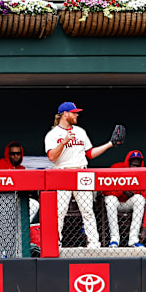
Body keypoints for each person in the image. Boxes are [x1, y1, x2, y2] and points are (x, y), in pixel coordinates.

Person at [44, 101, 122, 249]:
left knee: (87, 211)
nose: (76, 114)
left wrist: (110, 144)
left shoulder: (80, 131)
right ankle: (55, 244)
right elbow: (52, 157)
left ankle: (94, 244)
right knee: (59, 212)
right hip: (63, 172)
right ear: (65, 114)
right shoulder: (53, 134)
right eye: (73, 112)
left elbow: (90, 154)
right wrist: (64, 142)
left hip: (81, 172)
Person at [105, 150, 146, 248]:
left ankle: (133, 240)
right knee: (110, 199)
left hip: (129, 204)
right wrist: (121, 191)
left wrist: (145, 227)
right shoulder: (116, 168)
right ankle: (114, 239)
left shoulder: (143, 175)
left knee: (140, 199)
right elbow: (105, 191)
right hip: (116, 202)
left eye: (137, 166)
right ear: (128, 163)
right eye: (133, 165)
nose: (135, 168)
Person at [0, 141, 39, 223]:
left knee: (34, 204)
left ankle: (20, 227)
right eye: (13, 154)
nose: (16, 156)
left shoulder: (22, 168)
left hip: (17, 199)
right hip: (0, 199)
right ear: (8, 154)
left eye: (18, 153)